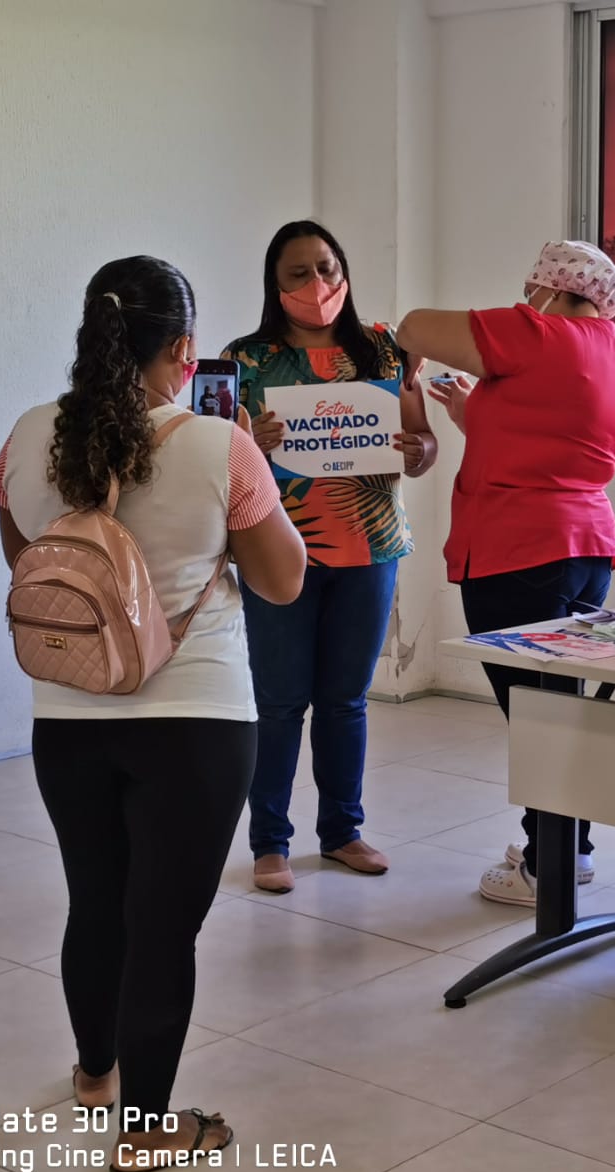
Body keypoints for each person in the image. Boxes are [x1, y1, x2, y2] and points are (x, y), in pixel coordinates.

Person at [0, 256, 306, 1172]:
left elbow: (28, 564)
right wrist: (258, 462)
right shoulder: (220, 445)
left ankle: (96, 1073)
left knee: (96, 899)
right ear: (185, 348)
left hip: (68, 712)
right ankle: (147, 1132)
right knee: (162, 924)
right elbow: (284, 582)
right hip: (197, 720)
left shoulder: (23, 437)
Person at [397, 240, 615, 906]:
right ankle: (567, 850)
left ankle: (547, 869)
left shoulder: (537, 331)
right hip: (584, 549)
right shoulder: (610, 355)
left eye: (528, 287)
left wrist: (412, 347)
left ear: (549, 290)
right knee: (557, 713)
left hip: (520, 551)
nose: (522, 298)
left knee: (536, 718)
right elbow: (557, 442)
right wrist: (469, 414)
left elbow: (415, 325)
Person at [223, 220, 438, 895]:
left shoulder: (383, 349)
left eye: (326, 267)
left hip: (371, 547)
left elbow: (425, 444)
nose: (317, 284)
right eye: (298, 274)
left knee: (346, 700)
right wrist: (249, 439)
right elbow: (219, 460)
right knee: (281, 701)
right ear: (275, 285)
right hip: (278, 549)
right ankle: (269, 842)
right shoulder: (245, 361)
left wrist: (416, 450)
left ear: (343, 269)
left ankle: (342, 831)